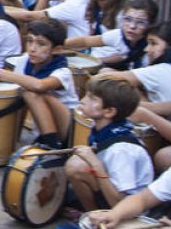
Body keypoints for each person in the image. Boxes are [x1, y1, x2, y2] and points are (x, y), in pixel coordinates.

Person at [0, 19, 78, 149]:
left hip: (69, 129)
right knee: (23, 92)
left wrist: (2, 74)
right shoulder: (23, 61)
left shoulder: (62, 72)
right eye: (29, 41)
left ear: (57, 49)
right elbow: (20, 97)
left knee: (32, 92)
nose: (32, 49)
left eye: (41, 44)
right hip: (46, 126)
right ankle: (40, 139)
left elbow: (39, 86)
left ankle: (52, 144)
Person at [66, 75, 155, 213]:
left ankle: (95, 218)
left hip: (129, 209)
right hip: (110, 190)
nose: (82, 101)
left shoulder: (121, 150)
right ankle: (91, 214)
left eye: (92, 98)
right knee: (77, 163)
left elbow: (122, 201)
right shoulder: (104, 129)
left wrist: (96, 165)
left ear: (109, 112)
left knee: (76, 167)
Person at [66, 0, 157, 70]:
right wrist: (59, 44)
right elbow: (85, 41)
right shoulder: (117, 35)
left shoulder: (153, 45)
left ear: (151, 24)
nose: (132, 26)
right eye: (128, 19)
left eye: (140, 22)